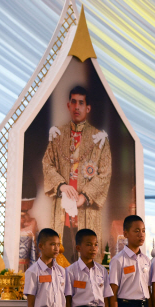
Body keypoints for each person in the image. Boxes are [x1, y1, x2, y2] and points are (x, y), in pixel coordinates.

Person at [42, 86, 112, 262]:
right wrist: (62, 185)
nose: (77, 107)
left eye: (81, 103)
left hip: (86, 209)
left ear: (88, 108)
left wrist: (85, 196)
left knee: (86, 260)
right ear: (68, 105)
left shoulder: (99, 138)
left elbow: (105, 173)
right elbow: (47, 164)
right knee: (60, 257)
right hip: (63, 209)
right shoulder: (58, 134)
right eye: (73, 102)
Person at [65, 229, 112, 307]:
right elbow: (68, 301)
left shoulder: (102, 270)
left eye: (96, 244)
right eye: (88, 245)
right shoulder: (71, 271)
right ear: (78, 248)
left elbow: (105, 298)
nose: (93, 248)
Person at [24, 228, 69, 307]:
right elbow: (30, 304)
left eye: (58, 244)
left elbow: (63, 302)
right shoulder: (33, 271)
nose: (56, 248)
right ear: (41, 246)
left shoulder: (61, 271)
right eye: (52, 244)